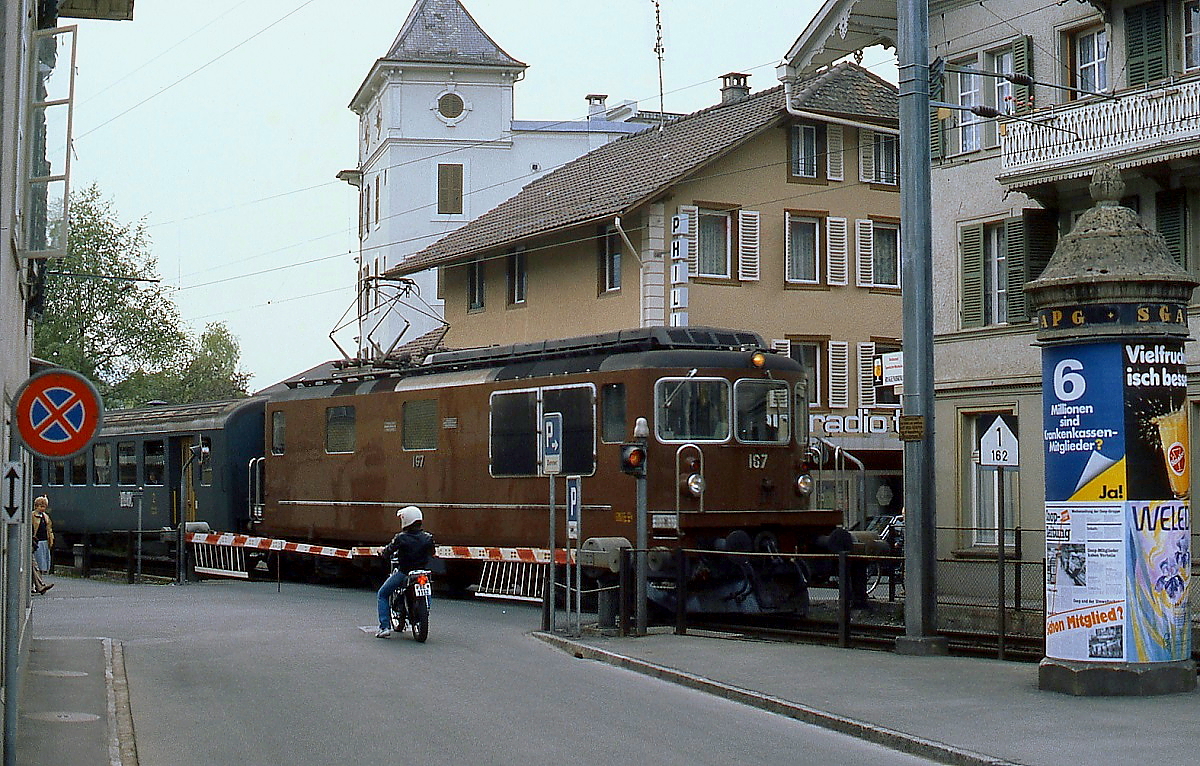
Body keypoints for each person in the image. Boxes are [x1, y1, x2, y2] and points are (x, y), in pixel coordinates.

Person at [375, 506, 434, 638]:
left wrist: (381, 551)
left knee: (383, 594)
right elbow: (432, 553)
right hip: (423, 572)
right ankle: (426, 609)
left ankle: (384, 627)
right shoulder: (428, 537)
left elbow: (387, 552)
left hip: (405, 572)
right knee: (427, 588)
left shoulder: (401, 538)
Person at [31, 496, 54, 595]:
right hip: (36, 543)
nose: (42, 508)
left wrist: (51, 540)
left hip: (44, 542)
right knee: (36, 564)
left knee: (40, 564)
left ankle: (38, 586)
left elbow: (49, 529)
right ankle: (37, 586)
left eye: (44, 506)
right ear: (36, 506)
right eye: (40, 506)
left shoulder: (46, 517)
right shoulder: (32, 516)